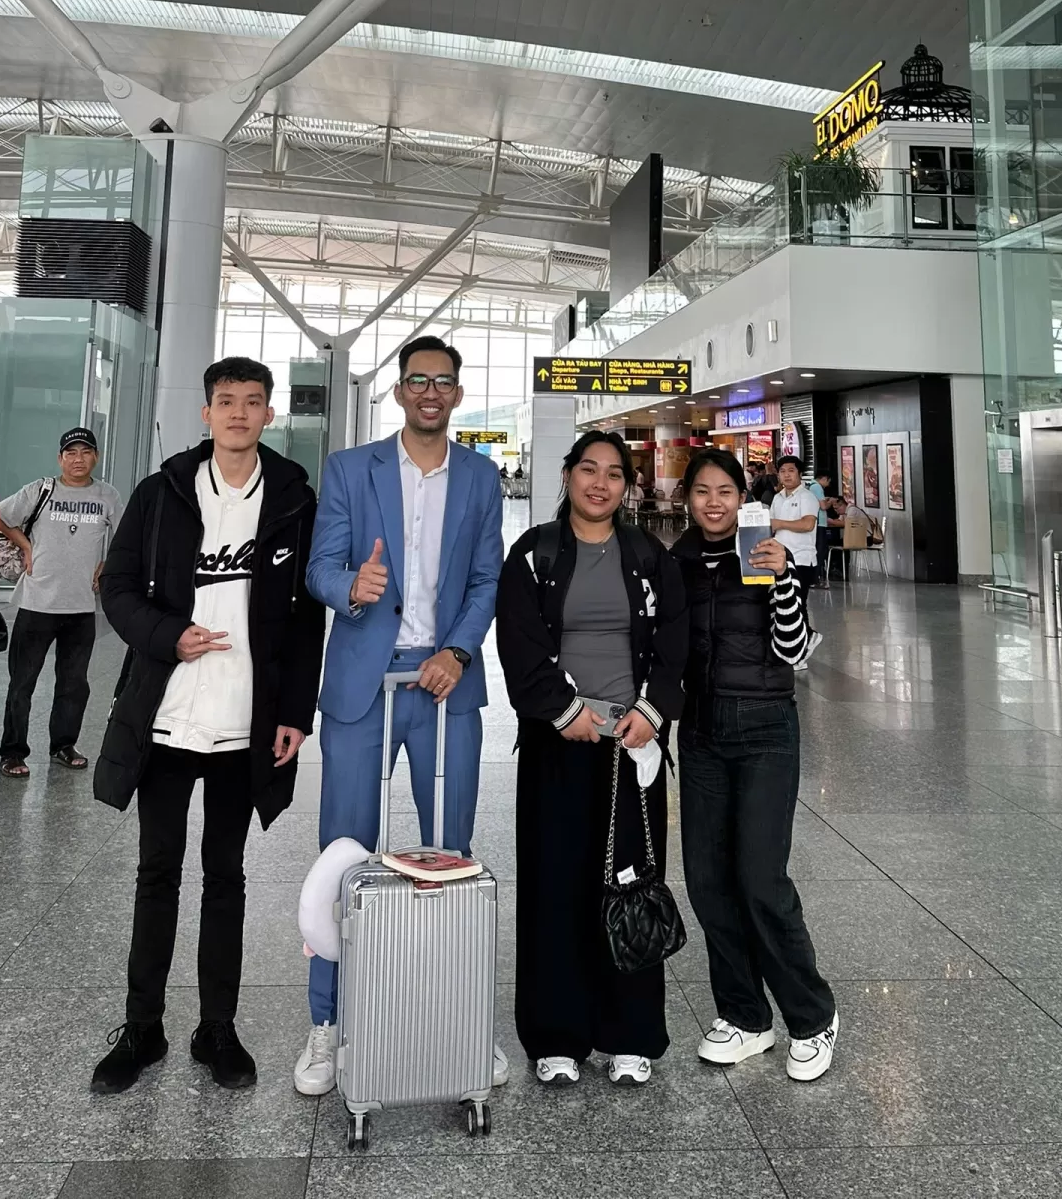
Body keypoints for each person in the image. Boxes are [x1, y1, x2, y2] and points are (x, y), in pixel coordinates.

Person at [89, 357, 325, 1095]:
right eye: (226, 401)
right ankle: (143, 1027)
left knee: (226, 876)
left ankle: (217, 1029)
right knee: (156, 873)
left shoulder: (292, 498)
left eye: (253, 402)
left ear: (268, 414)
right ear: (206, 412)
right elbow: (117, 588)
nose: (239, 413)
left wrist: (295, 714)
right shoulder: (162, 492)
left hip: (242, 725)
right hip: (167, 718)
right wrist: (168, 636)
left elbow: (305, 617)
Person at [294, 335, 506, 1097]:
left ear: (457, 394)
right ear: (399, 390)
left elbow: (486, 579)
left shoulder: (480, 477)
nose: (430, 392)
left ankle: (456, 1020)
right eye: (418, 380)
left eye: (443, 382)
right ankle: (328, 1024)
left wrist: (458, 650)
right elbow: (319, 568)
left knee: (451, 856)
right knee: (344, 855)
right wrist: (352, 586)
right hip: (364, 683)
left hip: (445, 685)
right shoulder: (352, 469)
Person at [496, 430, 687, 1088]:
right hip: (557, 743)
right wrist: (563, 709)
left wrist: (653, 711)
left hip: (632, 745)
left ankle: (629, 1033)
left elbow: (675, 641)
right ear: (567, 475)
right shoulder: (535, 553)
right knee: (554, 884)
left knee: (631, 885)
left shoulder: (649, 556)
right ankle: (557, 1035)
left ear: (627, 486)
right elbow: (518, 642)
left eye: (613, 473)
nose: (599, 483)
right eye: (588, 470)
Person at [673, 448, 838, 1082]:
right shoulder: (677, 563)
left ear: (743, 498)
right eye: (702, 491)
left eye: (725, 491)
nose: (713, 502)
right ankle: (744, 1016)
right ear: (689, 499)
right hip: (702, 733)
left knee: (760, 879)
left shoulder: (766, 555)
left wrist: (786, 578)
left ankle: (812, 1016)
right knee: (707, 880)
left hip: (766, 729)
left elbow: (793, 650)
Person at [0, 426, 124, 780]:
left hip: (80, 607)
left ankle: (63, 745)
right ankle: (12, 752)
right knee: (22, 683)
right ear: (60, 458)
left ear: (96, 457)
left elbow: (129, 535)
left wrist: (108, 563)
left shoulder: (107, 495)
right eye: (71, 452)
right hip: (36, 603)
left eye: (85, 452)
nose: (78, 459)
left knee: (73, 683)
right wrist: (25, 545)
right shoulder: (40, 490)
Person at [769, 456, 821, 655]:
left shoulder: (806, 497)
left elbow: (808, 524)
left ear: (800, 473)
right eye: (782, 471)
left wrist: (779, 523)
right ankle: (804, 642)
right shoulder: (778, 497)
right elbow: (771, 526)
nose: (787, 475)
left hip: (801, 559)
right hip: (781, 561)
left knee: (798, 605)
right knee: (785, 604)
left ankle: (803, 646)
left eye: (791, 471)